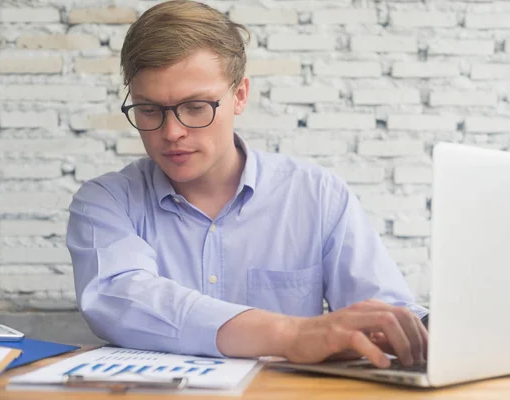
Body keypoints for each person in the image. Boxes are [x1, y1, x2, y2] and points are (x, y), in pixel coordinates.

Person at [66, 0, 429, 369]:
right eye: (149, 109)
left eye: (195, 107)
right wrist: (291, 335)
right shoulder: (106, 201)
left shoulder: (317, 196)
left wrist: (433, 329)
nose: (171, 132)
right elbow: (118, 296)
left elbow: (388, 316)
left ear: (239, 96)